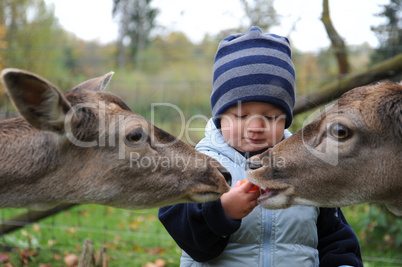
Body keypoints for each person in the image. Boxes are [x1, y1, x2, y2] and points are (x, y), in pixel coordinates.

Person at [159, 26, 363, 267]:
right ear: (220, 116)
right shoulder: (198, 165)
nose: (255, 126)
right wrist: (221, 212)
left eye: (269, 117)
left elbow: (336, 238)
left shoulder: (307, 167)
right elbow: (193, 244)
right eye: (241, 115)